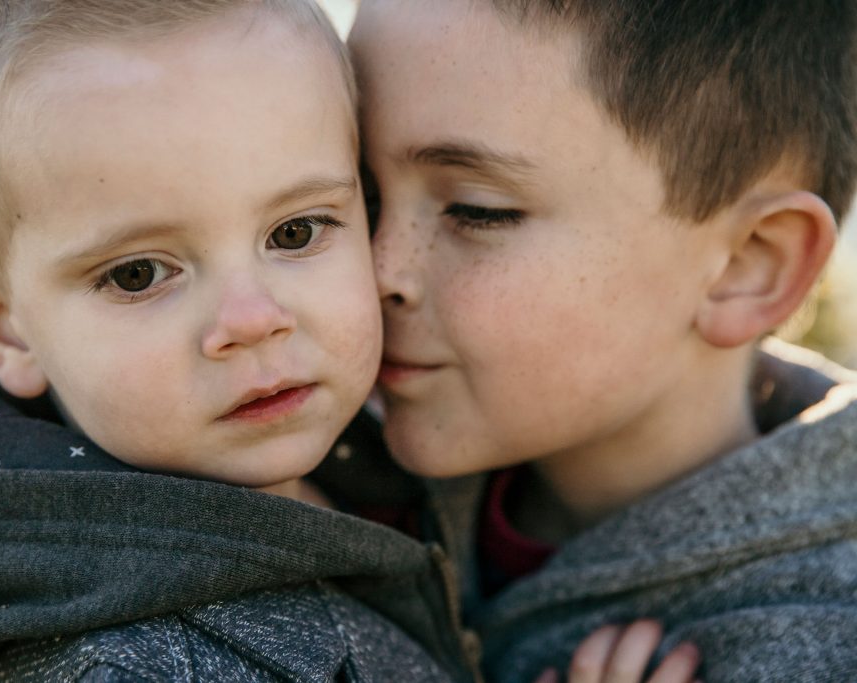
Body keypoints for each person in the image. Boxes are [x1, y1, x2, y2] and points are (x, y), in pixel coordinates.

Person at [0, 0, 695, 682]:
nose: (253, 318)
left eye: (296, 232)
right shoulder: (122, 666)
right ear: (2, 329)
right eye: (138, 274)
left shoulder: (385, 456)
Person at [350, 0, 857, 680]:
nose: (377, 268)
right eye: (359, 196)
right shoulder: (315, 471)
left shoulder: (817, 640)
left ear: (747, 265)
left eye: (477, 210)